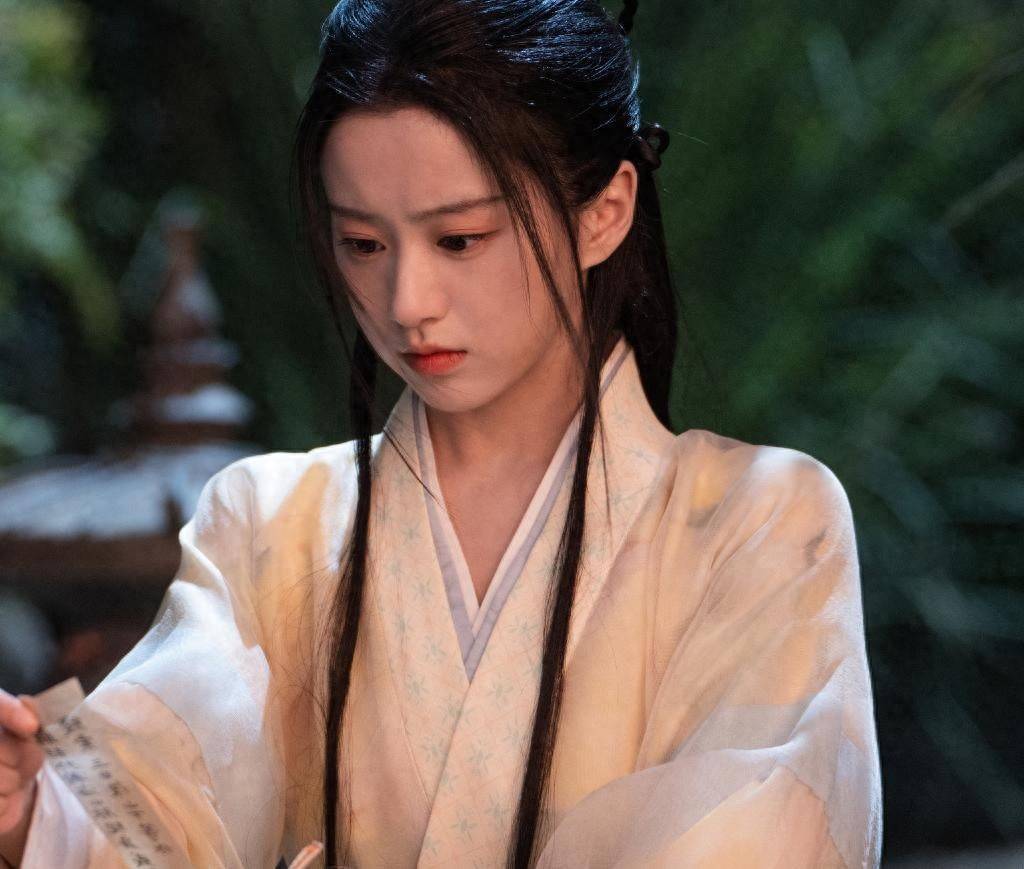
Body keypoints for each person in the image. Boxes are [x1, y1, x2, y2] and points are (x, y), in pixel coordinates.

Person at [0, 0, 883, 866]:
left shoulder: (763, 521)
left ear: (604, 211)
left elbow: (759, 841)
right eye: (363, 244)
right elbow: (147, 812)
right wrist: (27, 807)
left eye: (459, 239)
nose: (407, 302)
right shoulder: (270, 521)